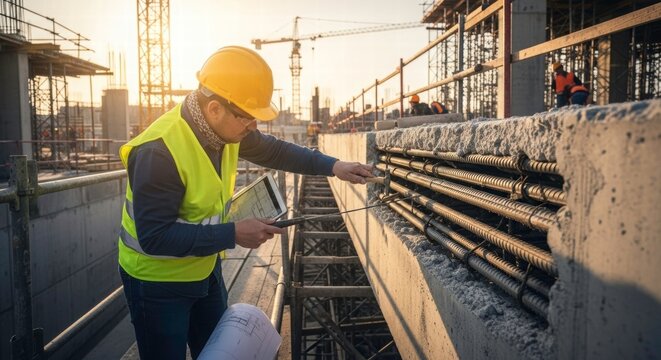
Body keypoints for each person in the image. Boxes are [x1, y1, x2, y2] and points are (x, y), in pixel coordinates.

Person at [117, 46, 374, 360]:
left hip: (204, 269)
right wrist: (233, 233)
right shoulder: (158, 151)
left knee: (217, 351)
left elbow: (275, 151)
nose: (254, 126)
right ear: (215, 109)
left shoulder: (223, 129)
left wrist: (334, 166)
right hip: (157, 284)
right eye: (249, 117)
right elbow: (155, 237)